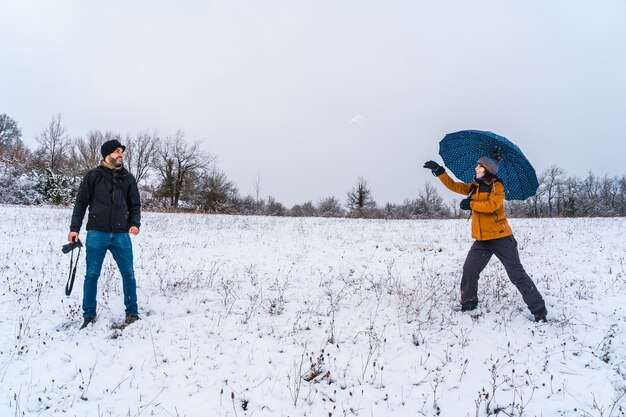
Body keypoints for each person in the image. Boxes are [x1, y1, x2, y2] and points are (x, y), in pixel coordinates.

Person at [423, 157, 548, 322]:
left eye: (480, 167)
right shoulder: (474, 186)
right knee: (469, 270)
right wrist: (440, 172)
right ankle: (469, 303)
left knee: (516, 274)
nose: (476, 168)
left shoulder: (497, 185)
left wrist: (471, 204)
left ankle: (539, 309)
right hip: (482, 240)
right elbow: (455, 186)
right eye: (477, 166)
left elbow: (492, 206)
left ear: (488, 169)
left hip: (501, 238)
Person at [68, 139, 142, 329]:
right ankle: (88, 315)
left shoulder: (128, 178)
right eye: (117, 152)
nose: (120, 155)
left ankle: (132, 313)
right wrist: (74, 229)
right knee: (92, 275)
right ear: (107, 154)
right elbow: (81, 203)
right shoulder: (93, 176)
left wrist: (134, 223)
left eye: (122, 152)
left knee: (129, 274)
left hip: (120, 234)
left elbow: (135, 204)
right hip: (96, 233)